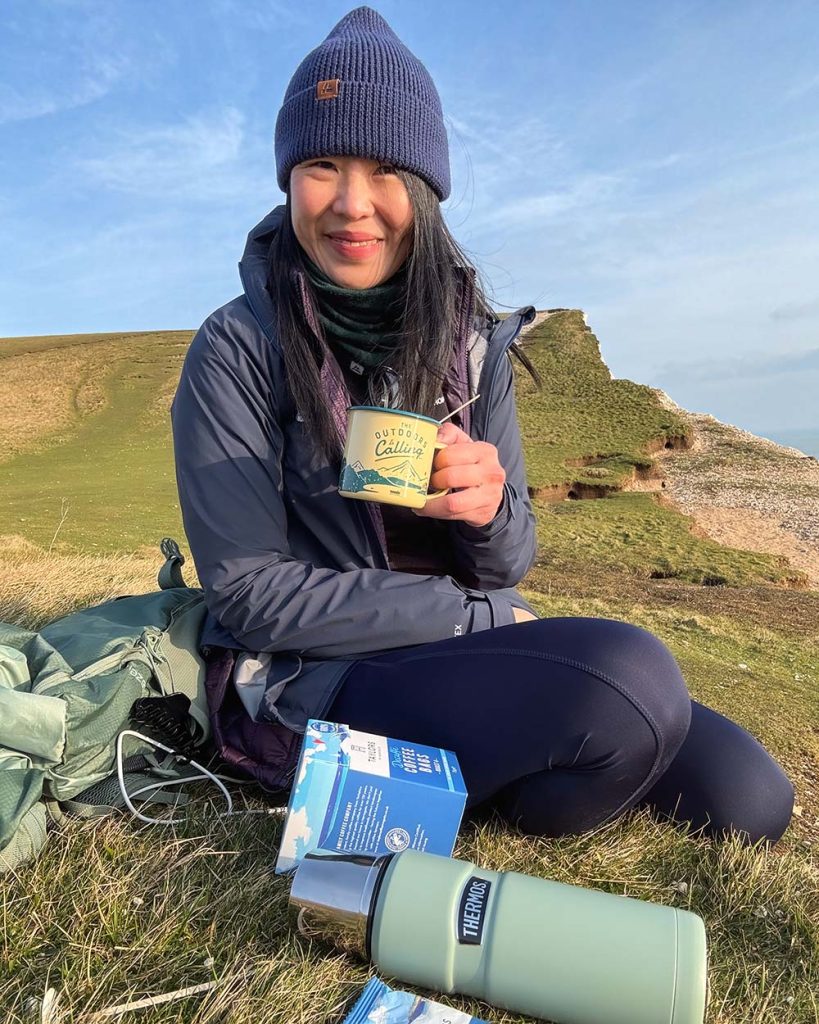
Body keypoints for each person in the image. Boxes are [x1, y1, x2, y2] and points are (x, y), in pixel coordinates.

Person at [171, 6, 793, 844]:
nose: (353, 204)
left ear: (424, 190)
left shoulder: (467, 336)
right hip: (318, 672)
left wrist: (488, 509)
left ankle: (510, 755)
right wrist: (478, 618)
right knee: (630, 683)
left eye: (386, 170)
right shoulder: (237, 345)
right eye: (322, 164)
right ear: (287, 178)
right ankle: (500, 771)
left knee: (748, 798)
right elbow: (250, 597)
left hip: (462, 645)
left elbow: (509, 560)